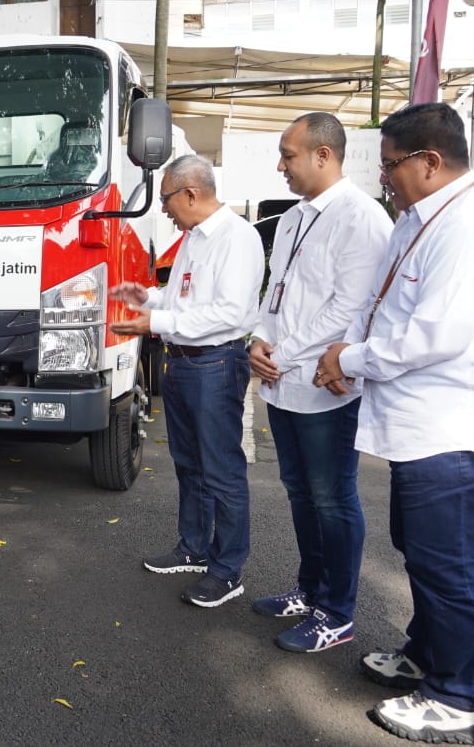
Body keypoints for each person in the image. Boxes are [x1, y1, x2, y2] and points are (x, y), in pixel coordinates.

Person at [314, 103, 474, 745]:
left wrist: (350, 359)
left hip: (453, 425)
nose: (386, 179)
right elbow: (380, 306)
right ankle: (429, 654)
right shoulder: (419, 221)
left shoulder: (472, 231)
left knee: (453, 566)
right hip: (417, 425)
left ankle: (462, 697)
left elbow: (436, 334)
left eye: (390, 166)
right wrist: (343, 352)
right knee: (423, 553)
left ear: (430, 162)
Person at [247, 113, 392, 652]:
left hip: (324, 384)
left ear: (323, 155)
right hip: (283, 381)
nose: (280, 165)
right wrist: (259, 340)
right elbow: (276, 291)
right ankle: (309, 590)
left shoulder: (361, 217)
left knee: (333, 498)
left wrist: (281, 353)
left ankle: (338, 612)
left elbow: (348, 309)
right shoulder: (292, 218)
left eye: (288, 155)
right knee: (300, 492)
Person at [111, 154, 264, 608]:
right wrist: (150, 297)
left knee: (221, 470)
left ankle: (226, 569)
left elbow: (229, 313)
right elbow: (186, 297)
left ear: (191, 193)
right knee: (189, 463)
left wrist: (154, 322)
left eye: (166, 199)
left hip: (215, 364)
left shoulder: (237, 238)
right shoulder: (196, 238)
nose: (164, 210)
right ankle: (194, 548)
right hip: (183, 363)